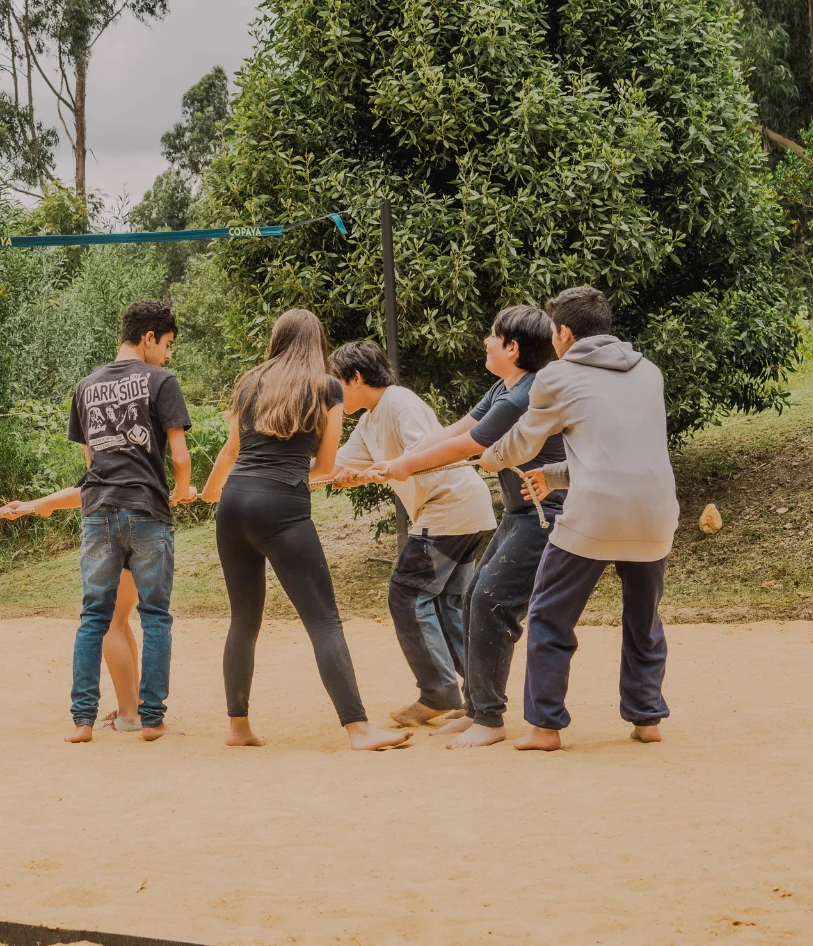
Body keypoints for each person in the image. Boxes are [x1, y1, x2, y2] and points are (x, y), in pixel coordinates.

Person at [478, 286, 679, 751]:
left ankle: (545, 727)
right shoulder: (649, 372)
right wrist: (553, 475)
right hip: (655, 516)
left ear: (564, 332)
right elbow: (625, 454)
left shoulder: (557, 375)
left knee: (548, 615)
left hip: (593, 518)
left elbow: (521, 443)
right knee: (643, 617)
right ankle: (647, 718)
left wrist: (493, 457)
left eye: (553, 331)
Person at [199, 309, 409, 752]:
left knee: (243, 620)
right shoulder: (327, 387)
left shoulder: (250, 381)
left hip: (233, 505)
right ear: (318, 343)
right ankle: (358, 729)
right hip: (282, 507)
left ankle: (238, 728)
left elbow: (233, 450)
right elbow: (326, 466)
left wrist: (208, 492)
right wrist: (304, 470)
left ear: (277, 338)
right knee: (324, 621)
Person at [368, 306, 565, 748]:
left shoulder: (524, 397)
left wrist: (404, 466)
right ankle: (478, 709)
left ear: (512, 348)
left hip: (546, 515)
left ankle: (489, 720)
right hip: (520, 513)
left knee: (492, 602)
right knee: (476, 598)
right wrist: (395, 462)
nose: (485, 342)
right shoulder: (504, 387)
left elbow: (468, 445)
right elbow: (458, 428)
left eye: (492, 336)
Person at [0, 299, 196, 744]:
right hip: (147, 511)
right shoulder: (162, 381)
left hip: (98, 516)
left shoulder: (85, 387)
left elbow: (92, 471)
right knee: (156, 618)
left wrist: (44, 502)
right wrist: (183, 489)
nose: (166, 355)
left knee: (94, 616)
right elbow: (180, 457)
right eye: (166, 345)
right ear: (148, 338)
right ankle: (150, 719)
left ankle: (83, 721)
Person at [328, 340, 496, 728]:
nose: (334, 393)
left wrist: (392, 466)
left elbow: (426, 448)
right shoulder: (369, 421)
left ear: (355, 377)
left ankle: (438, 693)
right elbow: (338, 468)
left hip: (448, 508)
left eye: (337, 383)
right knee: (445, 604)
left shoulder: (399, 401)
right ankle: (477, 696)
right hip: (459, 511)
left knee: (407, 595)